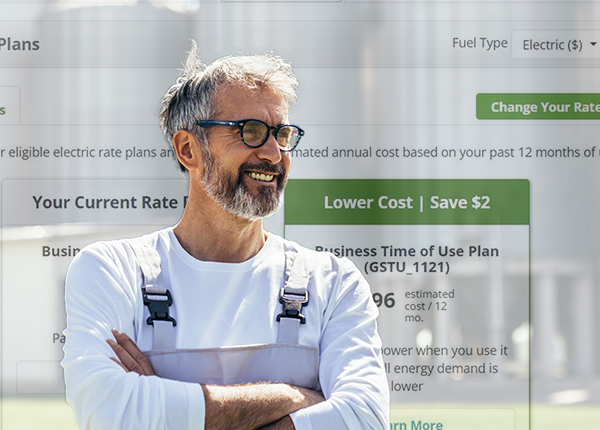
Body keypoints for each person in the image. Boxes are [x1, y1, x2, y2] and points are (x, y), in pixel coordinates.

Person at [61, 44, 390, 430]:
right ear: (188, 149)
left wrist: (168, 409)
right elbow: (110, 413)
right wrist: (294, 398)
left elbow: (364, 419)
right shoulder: (113, 271)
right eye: (250, 132)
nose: (272, 153)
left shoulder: (333, 282)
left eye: (282, 134)